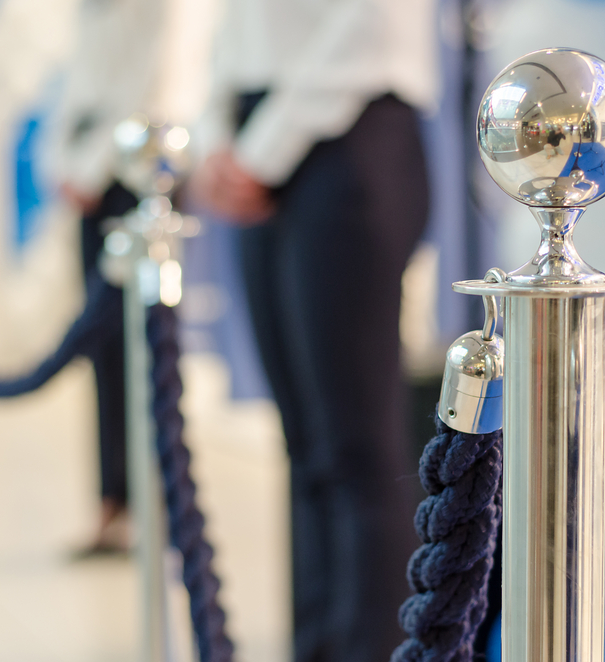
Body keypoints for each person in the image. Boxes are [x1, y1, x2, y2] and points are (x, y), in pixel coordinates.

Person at [187, 1, 437, 658]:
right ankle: (319, 643)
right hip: (261, 126)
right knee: (305, 444)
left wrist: (258, 152)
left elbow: (369, 26)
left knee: (356, 445)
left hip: (347, 130)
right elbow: (233, 32)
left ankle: (377, 645)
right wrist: (218, 139)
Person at [46, 0, 165, 554]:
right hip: (88, 183)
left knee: (142, 347)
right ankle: (110, 501)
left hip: (130, 176)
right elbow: (75, 86)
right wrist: (62, 168)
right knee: (101, 347)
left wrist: (92, 168)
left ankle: (150, 501)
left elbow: (150, 78)